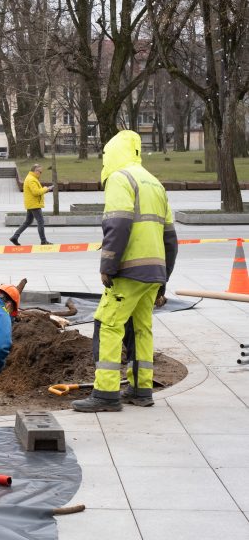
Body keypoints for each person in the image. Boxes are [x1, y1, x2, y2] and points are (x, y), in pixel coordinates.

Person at [72, 130, 177, 412]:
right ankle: (142, 390)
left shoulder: (121, 179)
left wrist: (108, 265)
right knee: (142, 329)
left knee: (107, 324)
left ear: (111, 153)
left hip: (129, 272)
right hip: (153, 273)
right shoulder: (154, 183)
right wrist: (163, 280)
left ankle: (105, 394)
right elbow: (170, 238)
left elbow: (117, 225)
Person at [9, 163, 53, 245]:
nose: (41, 174)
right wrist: (46, 189)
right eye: (40, 172)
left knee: (28, 221)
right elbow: (36, 192)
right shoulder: (32, 179)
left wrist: (45, 190)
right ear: (36, 171)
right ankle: (43, 241)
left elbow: (36, 191)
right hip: (34, 204)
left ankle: (15, 237)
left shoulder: (31, 178)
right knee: (40, 222)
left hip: (31, 203)